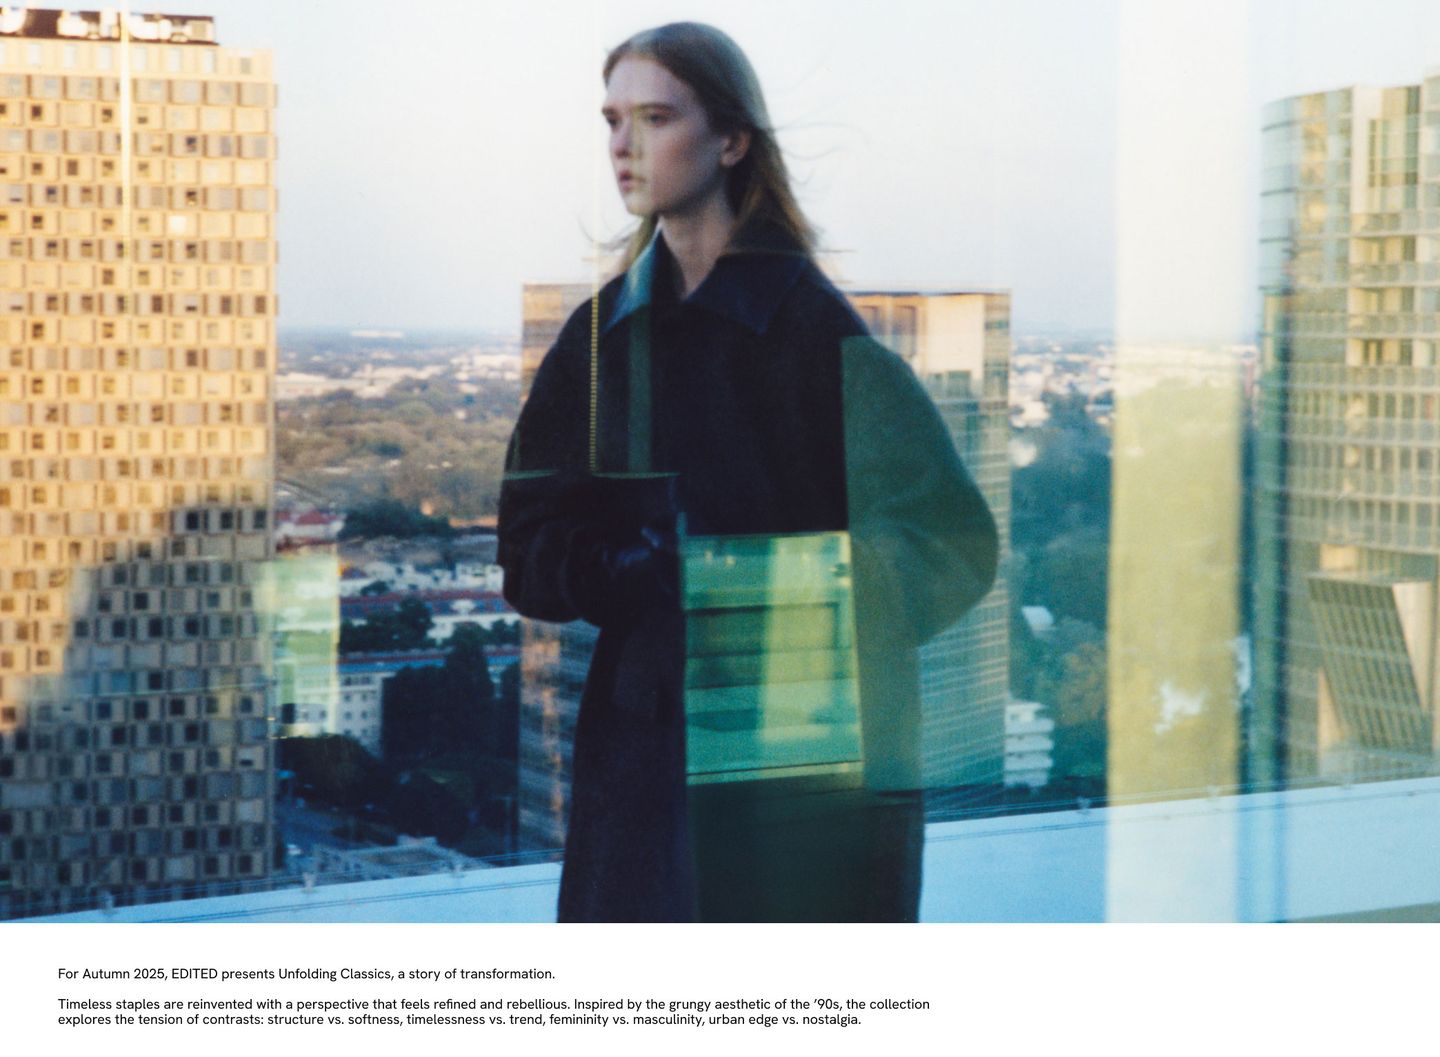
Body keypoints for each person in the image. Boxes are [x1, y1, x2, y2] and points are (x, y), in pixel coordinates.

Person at [499, 22, 997, 922]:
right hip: (644, 761)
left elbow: (954, 545)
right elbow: (526, 549)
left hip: (805, 763)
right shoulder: (602, 341)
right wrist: (624, 569)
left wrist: (784, 580)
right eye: (612, 119)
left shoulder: (819, 336)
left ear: (731, 141)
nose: (623, 145)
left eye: (655, 116)